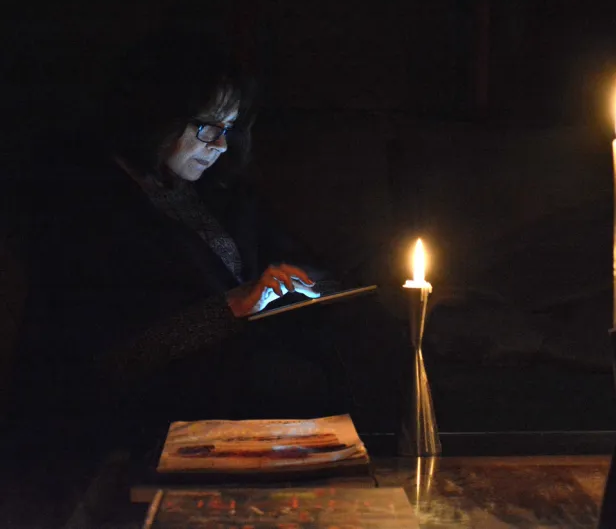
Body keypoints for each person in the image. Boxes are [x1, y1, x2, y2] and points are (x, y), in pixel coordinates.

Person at [12, 27, 359, 440]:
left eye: (229, 128)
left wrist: (301, 286)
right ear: (156, 114)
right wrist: (227, 308)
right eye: (207, 127)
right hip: (157, 408)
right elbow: (99, 358)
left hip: (243, 375)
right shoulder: (87, 208)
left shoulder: (218, 193)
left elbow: (304, 263)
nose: (221, 145)